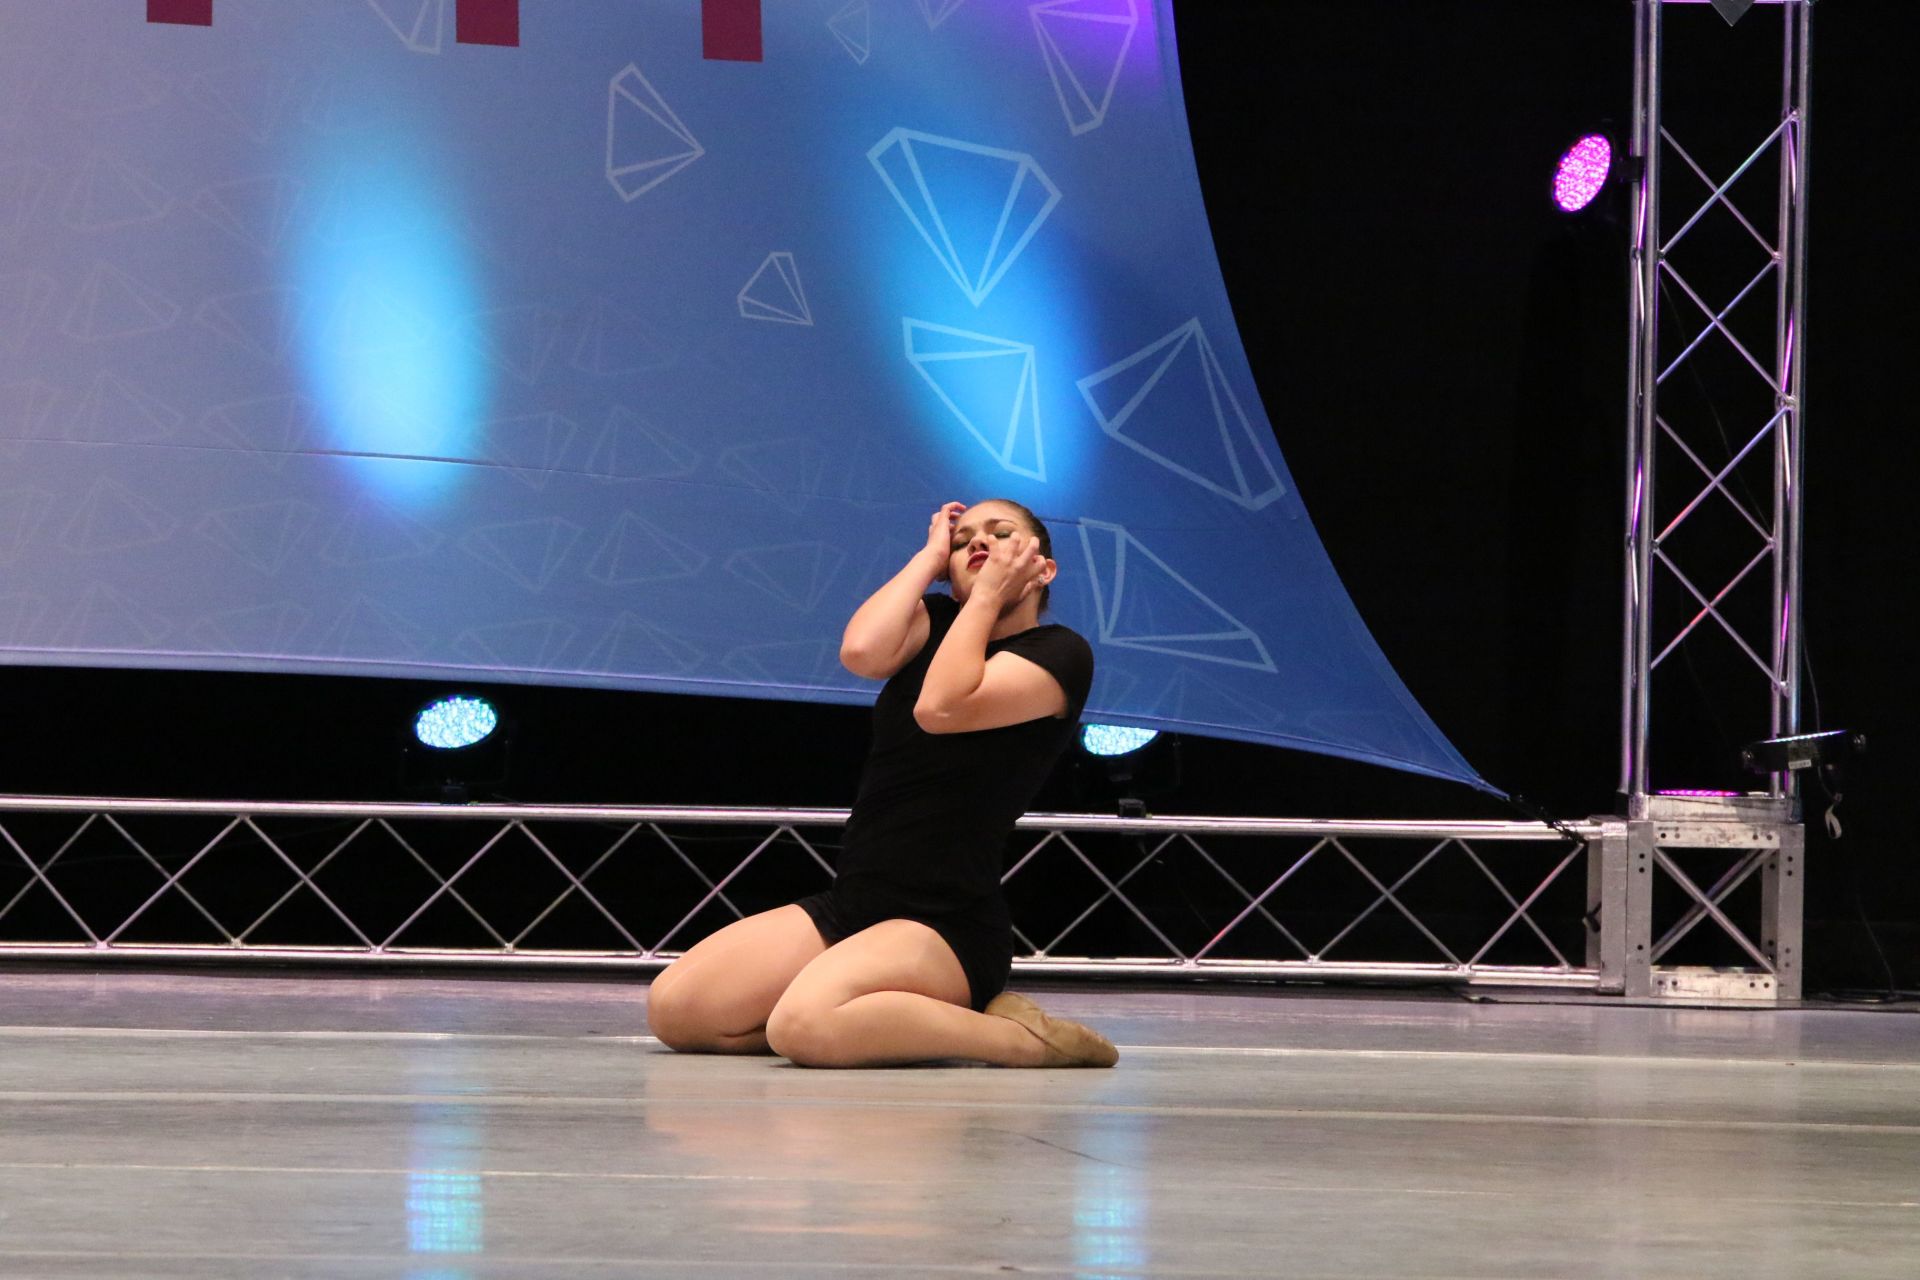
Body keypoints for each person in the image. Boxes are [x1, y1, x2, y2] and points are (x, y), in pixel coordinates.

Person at [647, 499, 1118, 1068]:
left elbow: (941, 707)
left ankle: (1024, 1041)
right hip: (855, 901)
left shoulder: (1060, 653)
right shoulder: (934, 622)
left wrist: (989, 596)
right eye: (963, 536)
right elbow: (862, 652)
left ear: (1043, 569)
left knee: (806, 1023)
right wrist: (927, 558)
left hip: (945, 922)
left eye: (1001, 533)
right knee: (678, 1009)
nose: (978, 544)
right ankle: (870, 1021)